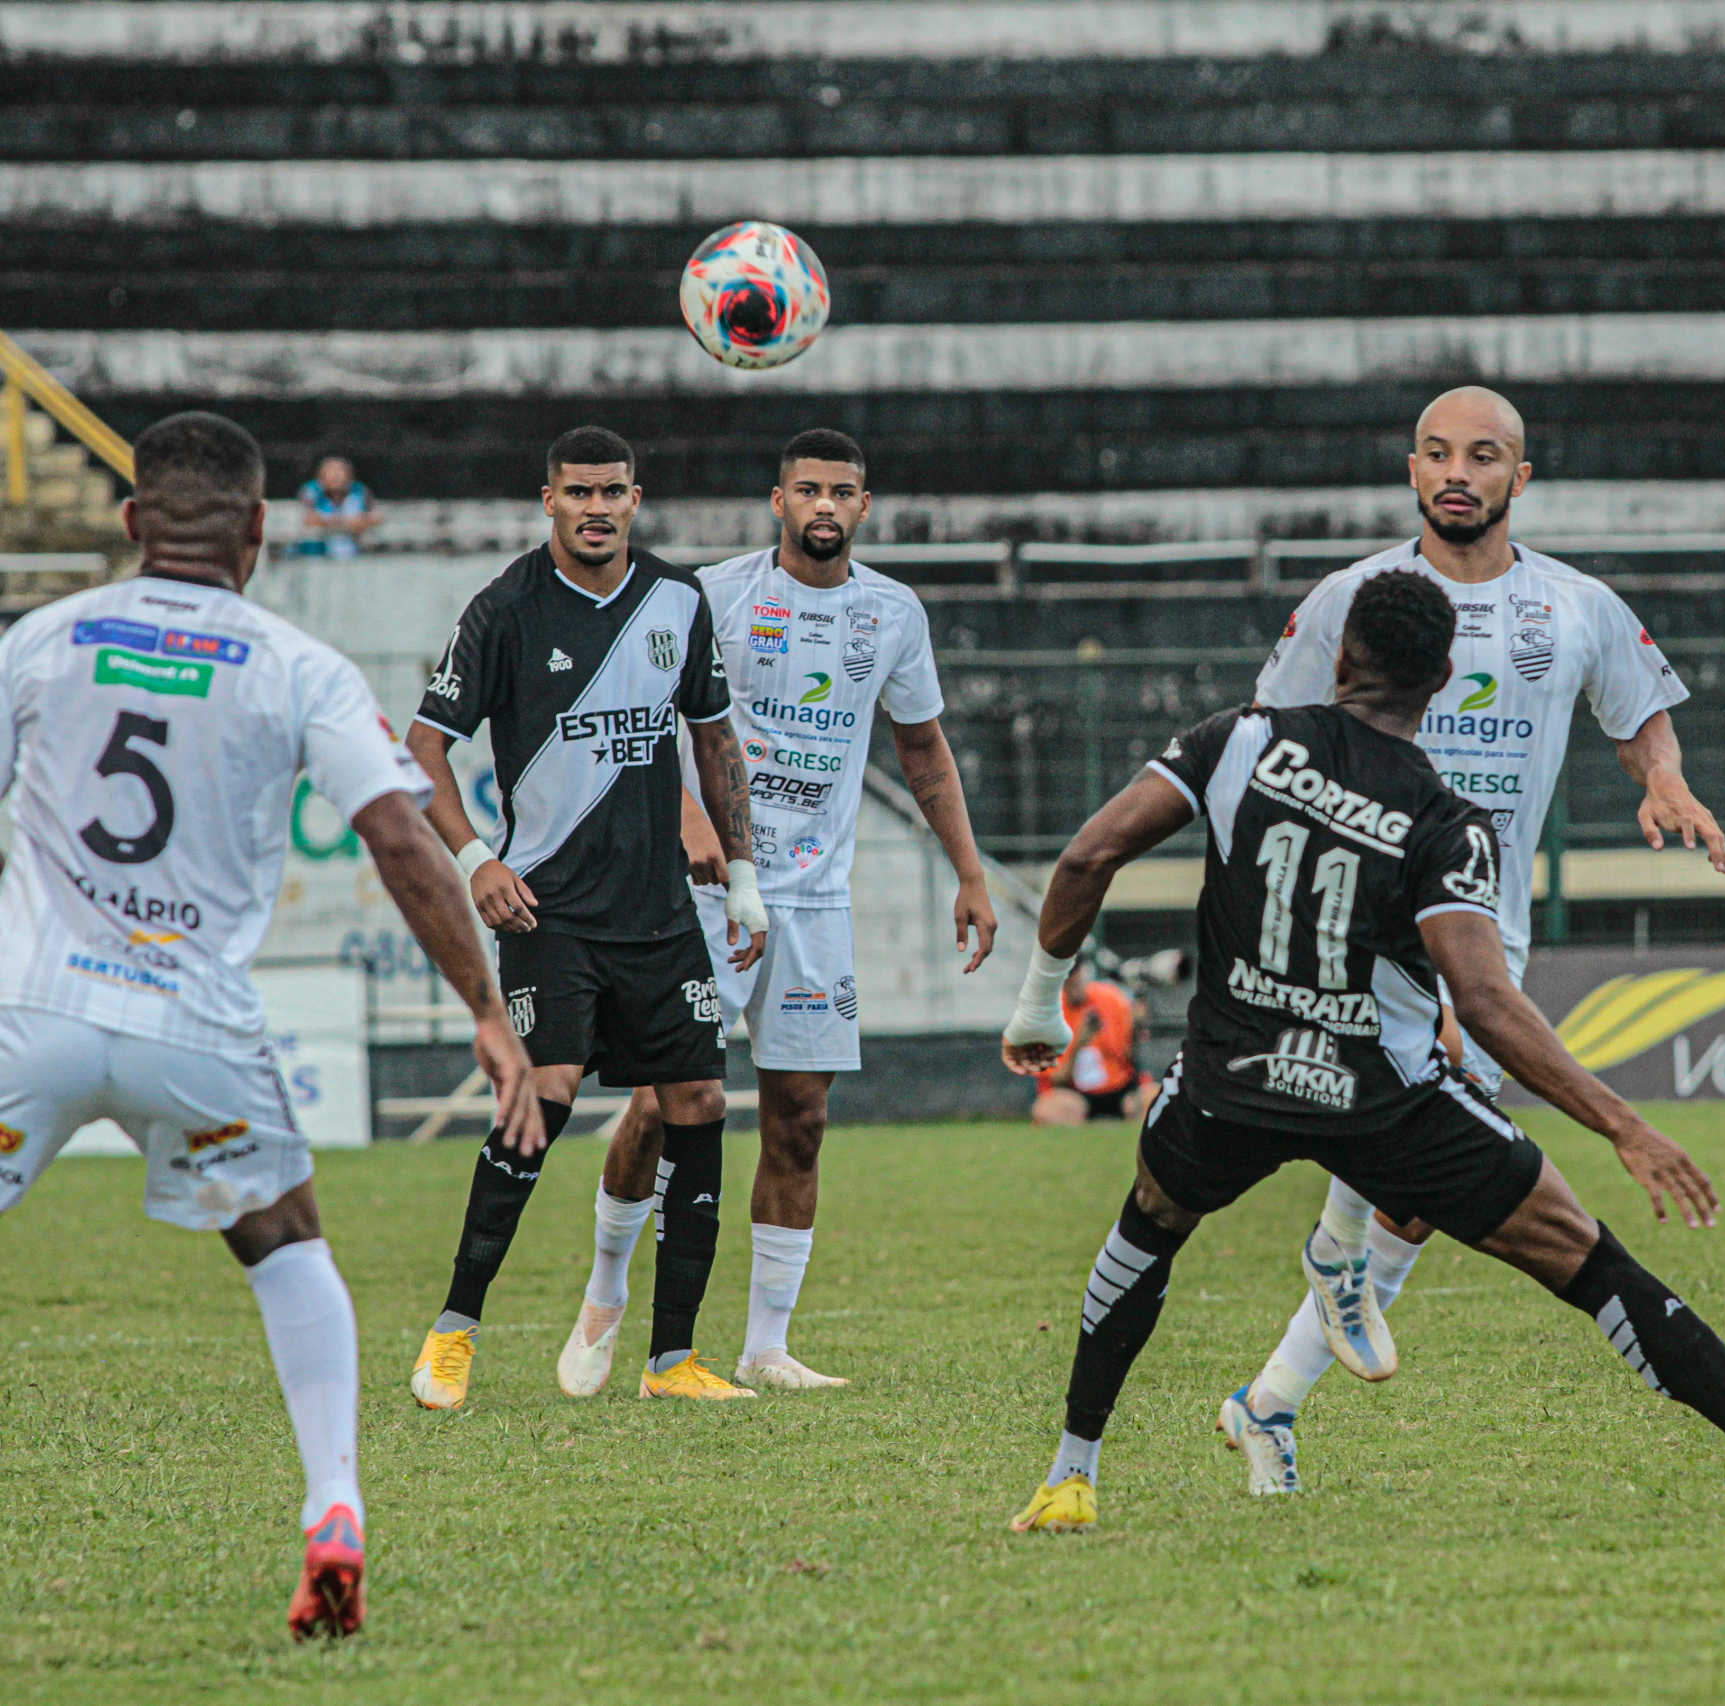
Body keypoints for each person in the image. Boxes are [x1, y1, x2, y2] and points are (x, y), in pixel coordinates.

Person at [996, 569, 1725, 1533]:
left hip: (1232, 1081)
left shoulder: (1240, 740)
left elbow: (1090, 856)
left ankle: (1072, 1476)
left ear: (1343, 655)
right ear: (1440, 680)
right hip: (1383, 1102)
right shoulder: (1445, 822)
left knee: (1146, 1232)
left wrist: (1038, 1009)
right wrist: (1624, 1126)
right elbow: (1482, 1001)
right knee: (1591, 1262)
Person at [0, 411, 541, 1638]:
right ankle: (334, 1507)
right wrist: (486, 1008)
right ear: (259, 529)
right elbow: (400, 836)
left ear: (133, 522)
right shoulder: (296, 664)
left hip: (29, 1010)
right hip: (193, 1025)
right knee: (285, 1240)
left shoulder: (40, 640)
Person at [1220, 385, 1725, 1494]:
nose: (1460, 471)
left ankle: (1269, 1396)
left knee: (1419, 1185)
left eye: (1484, 455)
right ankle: (1319, 1283)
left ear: (1519, 479)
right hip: (1362, 914)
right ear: (1412, 470)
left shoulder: (1573, 605)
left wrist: (1667, 780)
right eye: (1440, 453)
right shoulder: (1353, 597)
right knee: (1433, 1140)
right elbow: (1265, 737)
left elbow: (1639, 708)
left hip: (1486, 927)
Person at [559, 428, 996, 1395]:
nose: (825, 506)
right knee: (662, 1106)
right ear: (777, 500)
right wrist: (683, 816)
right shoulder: (715, 594)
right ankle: (604, 1297)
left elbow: (921, 749)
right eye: (809, 490)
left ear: (865, 506)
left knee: (800, 1118)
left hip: (815, 902)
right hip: (704, 895)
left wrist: (969, 872)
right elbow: (643, 712)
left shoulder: (892, 613)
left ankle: (767, 1345)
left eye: (843, 490)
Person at [405, 425, 768, 1408]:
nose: (597, 508)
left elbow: (715, 739)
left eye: (613, 492)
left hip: (660, 916)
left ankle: (673, 1360)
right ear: (548, 499)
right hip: (548, 913)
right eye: (579, 492)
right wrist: (476, 857)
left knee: (698, 1106)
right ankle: (454, 1331)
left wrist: (741, 872)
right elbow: (422, 748)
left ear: (634, 499)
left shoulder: (676, 600)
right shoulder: (506, 609)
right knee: (544, 1096)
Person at [1029, 958, 1156, 1126]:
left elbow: (1129, 1057)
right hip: (1078, 1095)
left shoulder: (1112, 998)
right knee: (1045, 1110)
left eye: (1077, 980)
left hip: (1120, 1089)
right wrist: (1079, 1044)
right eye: (1068, 983)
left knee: (1157, 1097)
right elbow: (1057, 1079)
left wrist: (1137, 1026)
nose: (1074, 988)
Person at [293, 456, 379, 558]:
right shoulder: (311, 490)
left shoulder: (360, 491)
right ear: (320, 476)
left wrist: (362, 521)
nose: (335, 475)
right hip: (315, 556)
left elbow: (376, 517)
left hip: (353, 554)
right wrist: (348, 523)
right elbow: (309, 518)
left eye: (340, 471)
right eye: (330, 471)